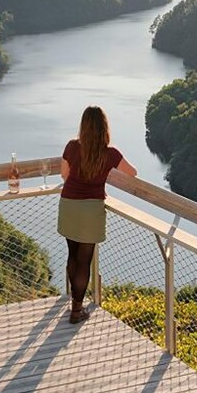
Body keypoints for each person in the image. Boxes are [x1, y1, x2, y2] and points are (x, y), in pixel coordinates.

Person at [58, 106, 137, 323]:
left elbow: (64, 174)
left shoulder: (72, 147)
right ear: (104, 128)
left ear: (83, 126)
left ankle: (74, 303)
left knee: (72, 255)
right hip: (92, 208)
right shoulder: (110, 153)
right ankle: (77, 309)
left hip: (69, 204)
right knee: (85, 260)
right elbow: (132, 173)